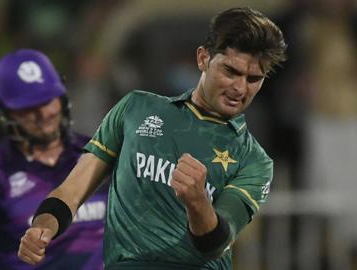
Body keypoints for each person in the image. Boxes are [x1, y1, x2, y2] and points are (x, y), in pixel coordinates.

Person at [18, 7, 287, 270]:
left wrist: (198, 203)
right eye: (231, 71)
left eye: (254, 79)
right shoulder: (135, 109)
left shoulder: (254, 160)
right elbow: (72, 190)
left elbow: (216, 244)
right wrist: (43, 226)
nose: (240, 88)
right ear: (203, 58)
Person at [0, 49, 107, 270]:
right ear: (4, 112)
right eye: (28, 108)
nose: (44, 114)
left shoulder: (98, 156)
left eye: (48, 100)